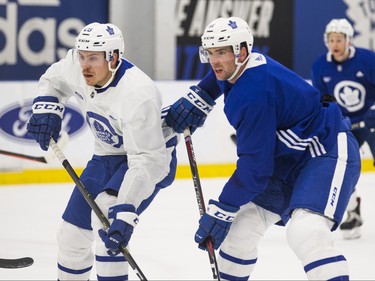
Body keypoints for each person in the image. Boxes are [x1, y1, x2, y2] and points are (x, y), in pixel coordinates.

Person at [165, 17, 361, 280]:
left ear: (242, 51)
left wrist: (224, 207)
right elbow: (218, 74)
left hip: (324, 150)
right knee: (239, 233)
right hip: (286, 159)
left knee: (306, 231)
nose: (214, 61)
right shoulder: (242, 64)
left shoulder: (253, 93)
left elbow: (255, 169)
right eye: (210, 52)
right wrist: (202, 95)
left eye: (221, 52)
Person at [27, 22, 178, 280]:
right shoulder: (77, 66)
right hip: (105, 156)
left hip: (149, 159)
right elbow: (52, 80)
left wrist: (126, 210)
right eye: (82, 56)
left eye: (93, 58)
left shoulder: (137, 93)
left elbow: (146, 161)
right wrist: (47, 108)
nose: (85, 64)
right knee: (71, 235)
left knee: (107, 220)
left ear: (114, 57)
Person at [311, 18, 375, 239]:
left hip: (373, 119)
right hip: (346, 125)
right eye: (331, 40)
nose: (335, 44)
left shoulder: (367, 59)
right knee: (339, 168)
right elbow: (324, 101)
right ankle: (352, 212)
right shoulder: (320, 66)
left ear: (348, 40)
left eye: (339, 39)